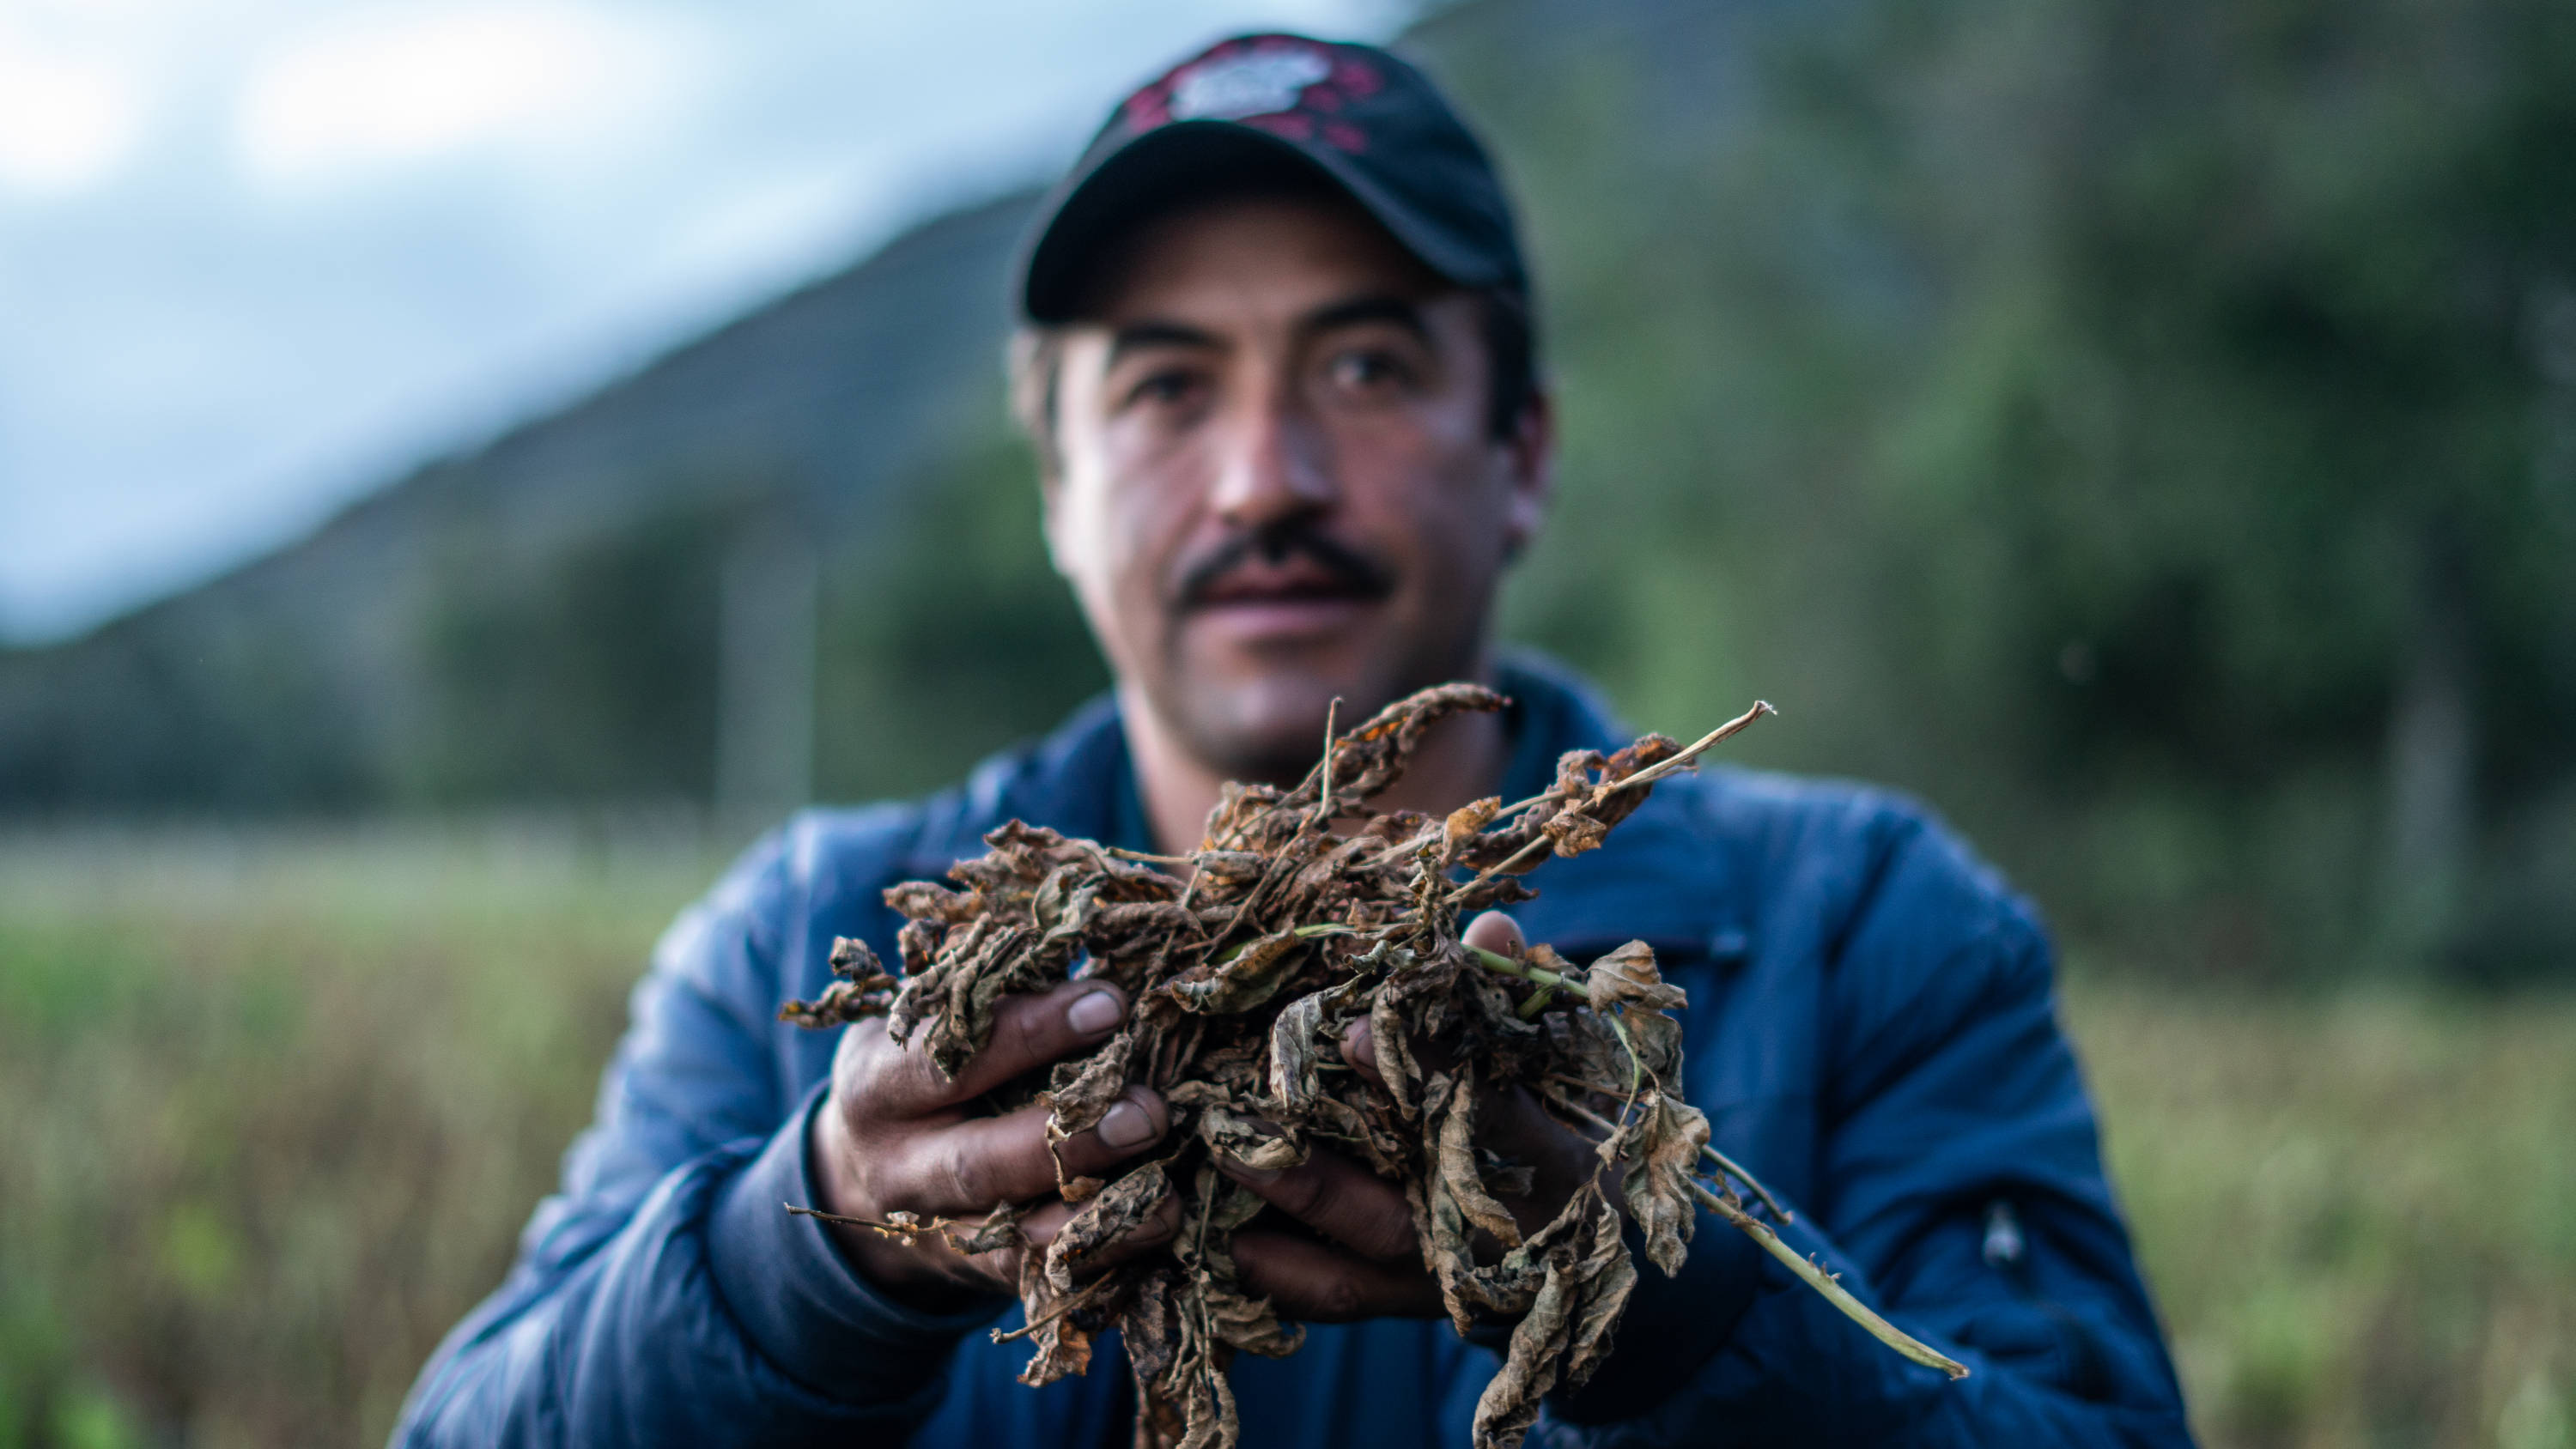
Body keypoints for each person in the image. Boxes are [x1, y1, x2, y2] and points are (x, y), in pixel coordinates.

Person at [391, 33, 2194, 1448]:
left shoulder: (1869, 931)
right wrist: (818, 1240)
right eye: (1169, 387)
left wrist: (1658, 1310)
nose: (1267, 479)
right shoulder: (816, 939)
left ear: (1529, 452)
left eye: (1367, 370)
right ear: (1059, 492)